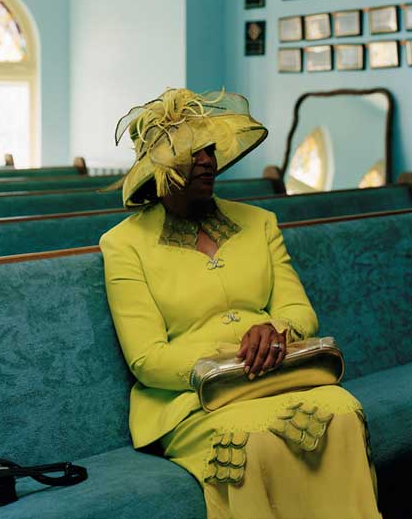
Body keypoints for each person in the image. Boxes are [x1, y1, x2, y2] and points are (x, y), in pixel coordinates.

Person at [100, 88, 381, 519]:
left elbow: (300, 312)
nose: (208, 161)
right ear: (161, 166)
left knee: (343, 413)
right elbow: (145, 358)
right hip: (194, 401)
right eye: (194, 152)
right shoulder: (123, 245)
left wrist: (276, 333)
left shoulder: (260, 222)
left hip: (281, 377)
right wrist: (231, 361)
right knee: (256, 438)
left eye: (210, 150)